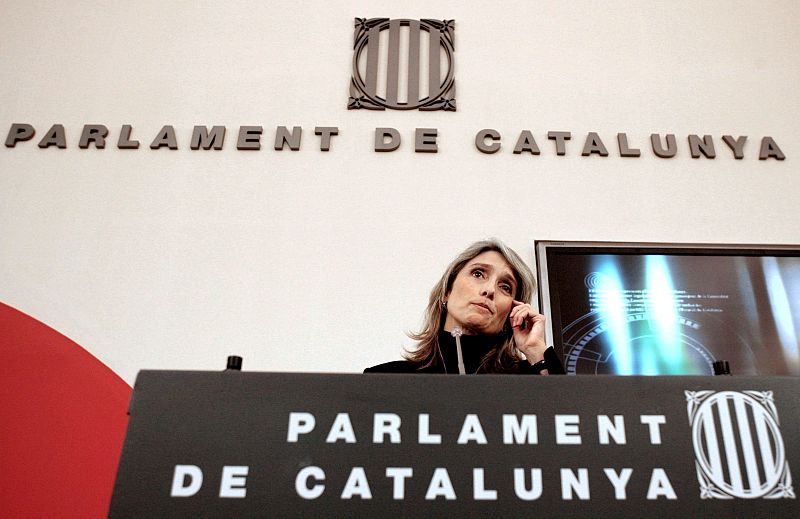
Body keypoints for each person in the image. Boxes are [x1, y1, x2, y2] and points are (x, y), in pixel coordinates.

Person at [364, 239, 565, 375]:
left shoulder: (530, 379)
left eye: (505, 286)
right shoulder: (386, 378)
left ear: (512, 312)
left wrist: (536, 351)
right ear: (447, 291)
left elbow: (573, 425)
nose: (489, 290)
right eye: (478, 274)